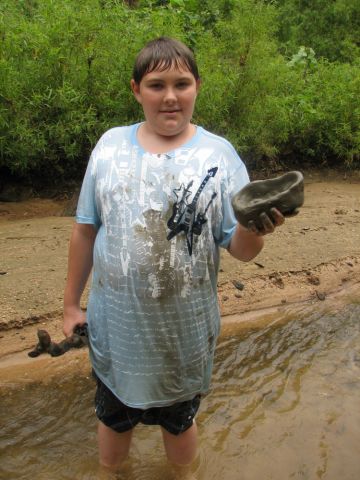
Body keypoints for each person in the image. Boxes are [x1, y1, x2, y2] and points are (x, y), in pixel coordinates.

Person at [63, 36, 285, 472]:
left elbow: (241, 250)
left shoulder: (218, 156)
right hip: (116, 331)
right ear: (135, 90)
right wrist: (70, 305)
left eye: (181, 84)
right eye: (156, 85)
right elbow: (85, 230)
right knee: (112, 423)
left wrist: (255, 227)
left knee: (180, 427)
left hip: (183, 335)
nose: (170, 96)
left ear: (198, 86)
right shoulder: (109, 147)